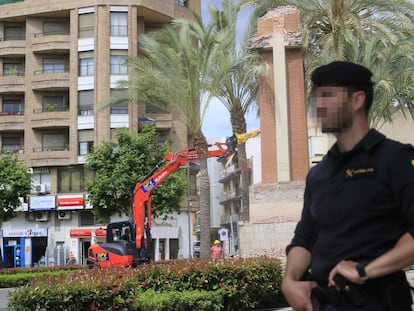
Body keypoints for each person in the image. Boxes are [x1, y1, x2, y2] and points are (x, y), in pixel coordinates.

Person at [281, 61, 414, 311]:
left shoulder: (394, 160)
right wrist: (289, 281)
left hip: (378, 302)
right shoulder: (318, 174)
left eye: (328, 96)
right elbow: (305, 238)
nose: (319, 105)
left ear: (357, 100)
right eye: (317, 97)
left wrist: (364, 271)